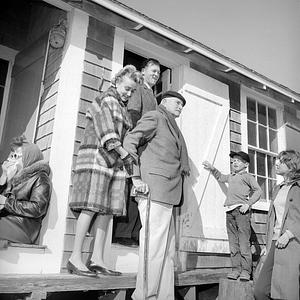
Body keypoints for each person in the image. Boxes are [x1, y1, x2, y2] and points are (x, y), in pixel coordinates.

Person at [68, 65, 142, 277]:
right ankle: (74, 257)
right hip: (96, 159)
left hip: (115, 163)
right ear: (116, 81)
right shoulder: (104, 99)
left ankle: (97, 259)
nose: (128, 93)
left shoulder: (123, 108)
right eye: (127, 88)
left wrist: (125, 156)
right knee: (90, 207)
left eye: (132, 91)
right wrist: (124, 153)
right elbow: (107, 131)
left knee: (107, 211)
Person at [123, 90, 190, 300]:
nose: (180, 106)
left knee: (166, 251)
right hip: (153, 189)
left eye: (182, 104)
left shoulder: (172, 125)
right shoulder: (155, 116)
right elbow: (129, 141)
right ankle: (144, 296)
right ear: (165, 101)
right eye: (177, 102)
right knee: (153, 247)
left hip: (168, 194)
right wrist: (135, 177)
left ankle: (163, 296)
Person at [114, 58, 160, 247]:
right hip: (136, 145)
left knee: (142, 190)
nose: (156, 74)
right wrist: (134, 140)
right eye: (153, 70)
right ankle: (122, 234)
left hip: (147, 149)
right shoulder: (139, 89)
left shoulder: (154, 96)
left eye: (158, 72)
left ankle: (134, 233)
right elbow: (133, 115)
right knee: (132, 186)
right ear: (143, 71)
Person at [203, 151, 262, 281]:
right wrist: (212, 168)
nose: (234, 162)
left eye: (238, 160)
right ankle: (236, 270)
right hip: (229, 212)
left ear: (245, 164)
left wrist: (248, 204)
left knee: (243, 244)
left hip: (241, 212)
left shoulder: (248, 177)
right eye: (233, 160)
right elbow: (221, 178)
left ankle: (246, 272)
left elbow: (258, 191)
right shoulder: (231, 176)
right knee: (233, 244)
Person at [254, 150, 300, 300]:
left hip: (293, 242)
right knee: (260, 290)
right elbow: (272, 219)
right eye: (277, 160)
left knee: (287, 292)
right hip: (275, 241)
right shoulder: (277, 189)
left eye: (282, 160)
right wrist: (267, 245)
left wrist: (288, 234)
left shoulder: (298, 187)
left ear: (292, 164)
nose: (277, 163)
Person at [0, 135, 51, 245]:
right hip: (8, 220)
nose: (12, 159)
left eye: (17, 156)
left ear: (29, 157)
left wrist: (7, 203)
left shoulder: (40, 177)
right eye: (12, 155)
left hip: (24, 227)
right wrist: (4, 177)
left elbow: (38, 208)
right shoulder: (15, 177)